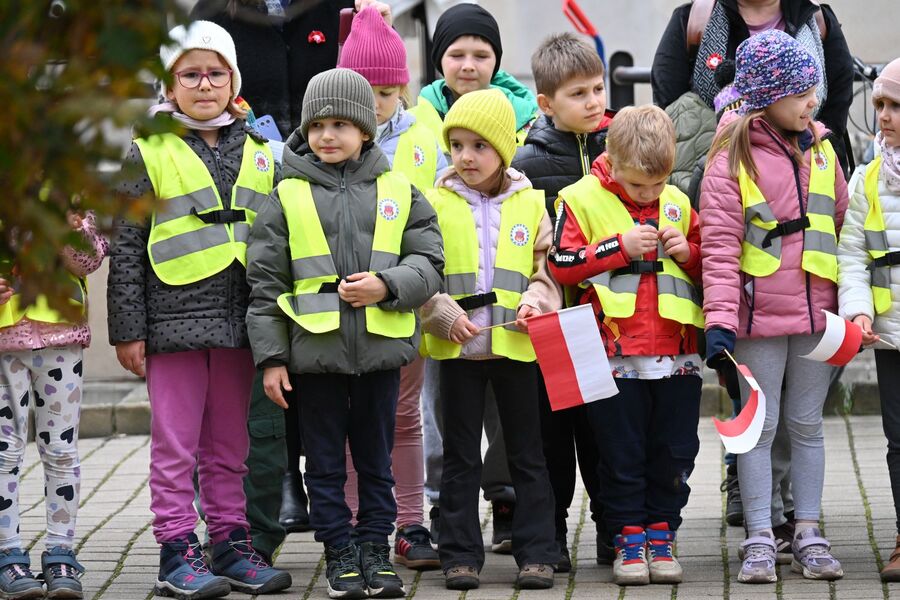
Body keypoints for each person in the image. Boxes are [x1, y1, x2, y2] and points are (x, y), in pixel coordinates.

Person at [191, 0, 394, 545]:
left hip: (331, 179)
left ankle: (361, 525)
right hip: (270, 175)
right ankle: (279, 487)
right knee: (280, 380)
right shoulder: (217, 8)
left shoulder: (335, 8)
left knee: (354, 419)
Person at [107, 20, 291, 598]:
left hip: (242, 320)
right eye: (191, 74)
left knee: (230, 444)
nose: (204, 84)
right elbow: (128, 245)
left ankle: (231, 542)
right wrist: (128, 330)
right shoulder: (149, 149)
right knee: (175, 443)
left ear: (233, 79)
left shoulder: (262, 149)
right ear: (170, 85)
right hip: (172, 320)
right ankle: (175, 548)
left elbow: (283, 238)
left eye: (216, 73)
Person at [246, 68, 443, 599]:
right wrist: (271, 359)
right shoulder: (285, 194)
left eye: (340, 124)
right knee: (326, 465)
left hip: (380, 355)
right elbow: (265, 283)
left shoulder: (398, 189)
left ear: (365, 129)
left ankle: (375, 549)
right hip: (314, 359)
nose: (327, 135)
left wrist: (388, 285)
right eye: (317, 125)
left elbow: (429, 261)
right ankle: (338, 552)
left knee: (376, 462)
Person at [701, 30, 849, 584]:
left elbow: (840, 225)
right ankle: (760, 535)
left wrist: (850, 304)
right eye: (803, 93)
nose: (814, 101)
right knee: (759, 431)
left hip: (817, 316)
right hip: (757, 320)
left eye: (815, 89)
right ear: (768, 98)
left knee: (807, 424)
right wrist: (719, 323)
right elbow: (717, 251)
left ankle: (807, 530)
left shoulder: (824, 146)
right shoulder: (729, 158)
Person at [549, 105, 704, 586]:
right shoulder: (579, 197)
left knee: (675, 451)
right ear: (611, 163)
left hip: (678, 357)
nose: (651, 195)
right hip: (614, 356)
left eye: (658, 184)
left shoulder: (676, 200)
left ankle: (663, 534)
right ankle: (627, 538)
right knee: (619, 453)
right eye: (639, 186)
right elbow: (561, 263)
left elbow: (710, 265)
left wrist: (688, 252)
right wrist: (618, 246)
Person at [420, 88, 560, 591]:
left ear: (503, 148)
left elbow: (547, 270)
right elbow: (422, 274)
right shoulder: (433, 201)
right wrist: (440, 314)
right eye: (456, 145)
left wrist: (536, 303)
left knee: (526, 451)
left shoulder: (530, 202)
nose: (465, 156)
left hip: (516, 346)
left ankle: (537, 551)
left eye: (478, 146)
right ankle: (458, 553)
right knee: (459, 453)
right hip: (457, 348)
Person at [412, 1, 534, 552]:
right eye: (456, 53)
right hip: (448, 315)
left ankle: (506, 502)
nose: (468, 64)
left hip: (511, 319)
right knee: (443, 418)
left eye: (480, 54)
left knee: (508, 423)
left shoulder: (524, 114)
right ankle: (446, 511)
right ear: (439, 60)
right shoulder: (421, 120)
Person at [335, 5, 446, 571]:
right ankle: (357, 527)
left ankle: (410, 523)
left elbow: (438, 219)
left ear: (403, 86)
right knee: (355, 420)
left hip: (407, 300)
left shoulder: (428, 139)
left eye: (386, 89)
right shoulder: (327, 142)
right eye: (365, 88)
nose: (376, 101)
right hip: (343, 307)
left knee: (404, 415)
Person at [511, 31, 610, 571]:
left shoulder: (617, 150)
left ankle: (612, 532)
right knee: (550, 438)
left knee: (602, 436)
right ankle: (547, 537)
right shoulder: (529, 162)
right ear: (547, 103)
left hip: (607, 321)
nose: (594, 102)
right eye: (579, 94)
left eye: (598, 89)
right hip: (553, 320)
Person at [0, 213, 106, 599]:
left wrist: (70, 223)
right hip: (3, 339)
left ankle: (60, 551)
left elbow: (91, 259)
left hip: (60, 335)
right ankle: (7, 555)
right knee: (3, 453)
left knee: (61, 451)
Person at [652, 0, 854, 175]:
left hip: (806, 171)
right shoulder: (695, 19)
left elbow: (837, 104)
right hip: (718, 172)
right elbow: (672, 106)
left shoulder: (817, 19)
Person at [837, 57, 900, 582]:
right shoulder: (869, 176)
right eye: (879, 104)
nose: (883, 116)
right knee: (898, 441)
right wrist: (857, 307)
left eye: (895, 105)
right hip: (892, 333)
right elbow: (852, 252)